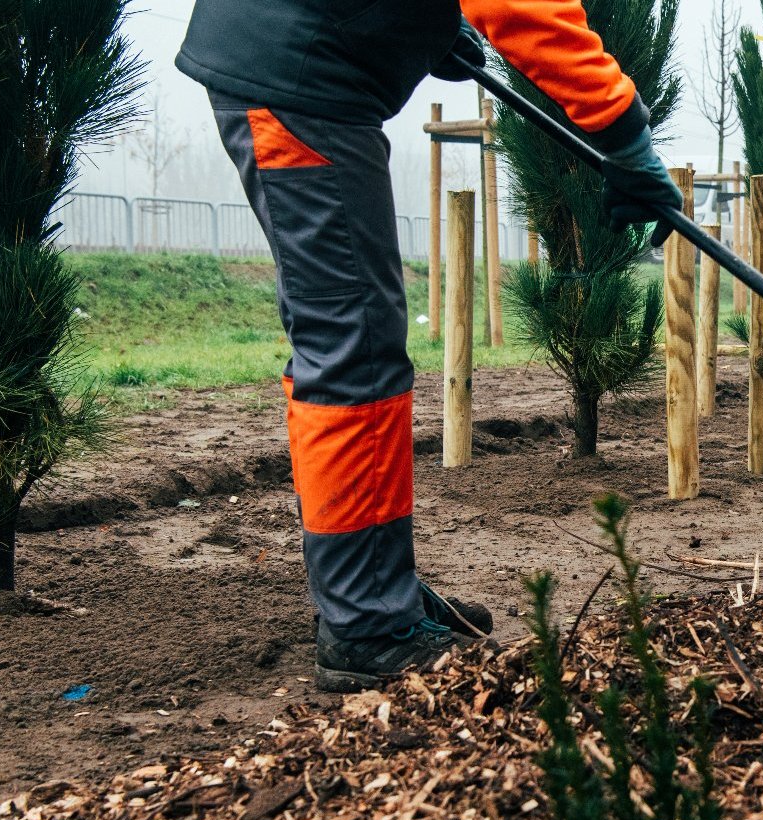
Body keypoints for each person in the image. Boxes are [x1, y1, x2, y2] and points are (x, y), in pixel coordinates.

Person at [175, 2, 681, 692]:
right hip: (298, 76)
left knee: (363, 340)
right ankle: (366, 624)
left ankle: (377, 589)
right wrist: (624, 135)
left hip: (304, 68)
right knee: (352, 347)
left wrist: (428, 24)